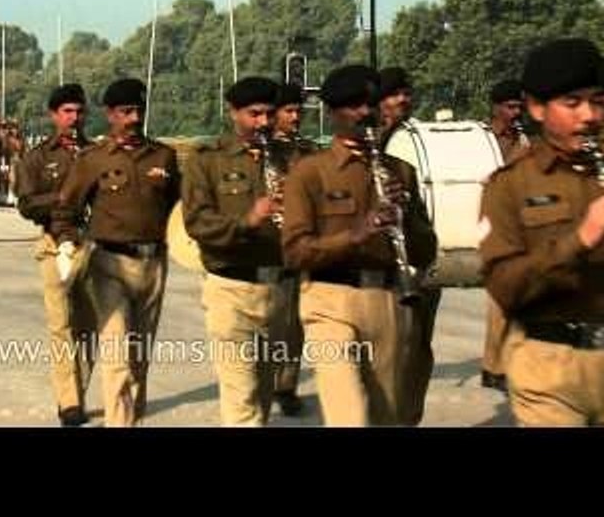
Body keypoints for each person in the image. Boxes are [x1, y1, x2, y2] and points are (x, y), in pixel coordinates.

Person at [479, 38, 604, 426]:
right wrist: (581, 238)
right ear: (537, 108)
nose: (589, 115)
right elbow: (505, 287)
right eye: (572, 103)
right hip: (549, 367)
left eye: (596, 101)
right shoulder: (509, 185)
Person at [282, 65, 437, 426]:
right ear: (333, 113)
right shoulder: (310, 172)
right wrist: (355, 234)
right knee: (348, 415)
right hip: (328, 301)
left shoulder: (400, 170)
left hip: (389, 302)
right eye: (354, 106)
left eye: (370, 103)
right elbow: (294, 251)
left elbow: (425, 251)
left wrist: (407, 213)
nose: (365, 112)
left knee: (389, 417)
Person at [50, 78, 180, 426]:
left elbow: (179, 210)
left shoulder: (164, 156)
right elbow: (66, 208)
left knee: (139, 354)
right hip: (108, 264)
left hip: (153, 264)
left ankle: (130, 417)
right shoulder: (93, 159)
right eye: (125, 112)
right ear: (109, 114)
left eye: (138, 110)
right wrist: (65, 242)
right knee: (117, 352)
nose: (134, 118)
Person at [182, 76, 290, 426]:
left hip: (278, 289)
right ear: (233, 112)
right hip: (229, 288)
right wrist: (249, 220)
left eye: (269, 114)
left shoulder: (292, 157)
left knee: (262, 395)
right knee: (241, 401)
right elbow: (197, 224)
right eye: (254, 114)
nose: (263, 122)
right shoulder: (207, 160)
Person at [15, 83, 98, 427]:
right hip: (53, 247)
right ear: (53, 115)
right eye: (67, 112)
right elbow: (27, 204)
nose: (74, 118)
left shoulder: (96, 154)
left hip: (91, 246)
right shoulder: (37, 158)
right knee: (61, 327)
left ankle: (76, 388)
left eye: (79, 112)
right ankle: (69, 402)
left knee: (90, 328)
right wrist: (63, 197)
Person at [378, 66, 438, 426]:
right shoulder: (367, 141)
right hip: (379, 264)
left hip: (419, 253)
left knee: (416, 350)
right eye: (394, 93)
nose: (404, 98)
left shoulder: (421, 141)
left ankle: (408, 418)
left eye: (406, 91)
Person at [269, 82, 319, 417]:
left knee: (295, 323)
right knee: (269, 320)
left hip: (300, 243)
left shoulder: (310, 150)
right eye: (289, 111)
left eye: (298, 111)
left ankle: (286, 386)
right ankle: (264, 382)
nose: (296, 116)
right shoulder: (264, 150)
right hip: (268, 246)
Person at [480, 78, 531, 392]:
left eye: (519, 107)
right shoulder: (478, 138)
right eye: (511, 107)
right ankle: (493, 365)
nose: (516, 113)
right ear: (496, 108)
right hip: (486, 221)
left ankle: (502, 363)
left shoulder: (525, 142)